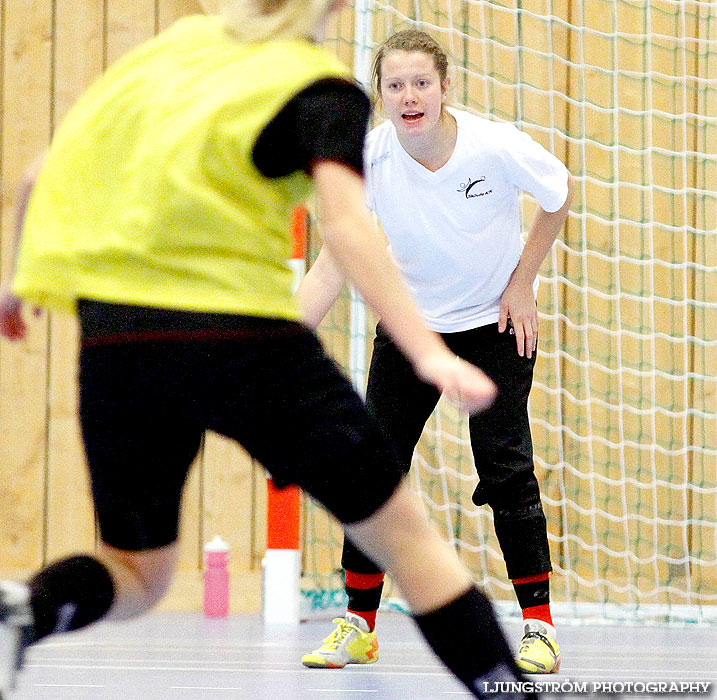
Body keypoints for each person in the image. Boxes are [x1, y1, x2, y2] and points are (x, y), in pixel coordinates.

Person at [0, 3, 539, 699]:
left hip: (117, 338)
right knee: (408, 542)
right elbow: (346, 227)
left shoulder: (171, 53)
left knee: (136, 571)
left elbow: (40, 175)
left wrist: (15, 280)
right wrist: (426, 351)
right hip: (239, 335)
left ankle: (23, 610)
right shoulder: (316, 85)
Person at [299, 29, 575, 675]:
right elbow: (329, 266)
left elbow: (556, 197)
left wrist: (521, 283)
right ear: (381, 95)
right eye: (394, 85)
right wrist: (274, 342)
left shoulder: (493, 144)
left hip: (493, 326)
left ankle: (538, 628)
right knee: (375, 470)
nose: (408, 95)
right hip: (411, 332)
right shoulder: (366, 161)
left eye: (421, 82)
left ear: (445, 88)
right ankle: (357, 624)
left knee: (505, 467)